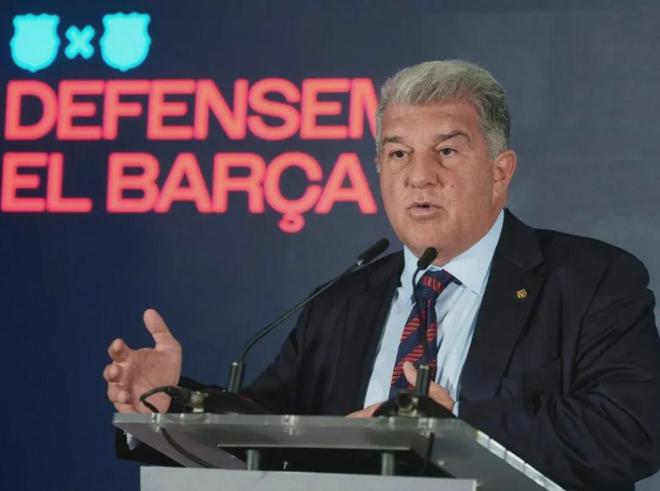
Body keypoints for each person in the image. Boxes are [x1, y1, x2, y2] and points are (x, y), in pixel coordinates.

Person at [104, 60, 660, 490]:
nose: (419, 177)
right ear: (378, 170)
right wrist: (171, 404)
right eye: (398, 155)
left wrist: (454, 425)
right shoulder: (342, 302)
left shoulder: (589, 281)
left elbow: (631, 429)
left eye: (447, 151)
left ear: (499, 172)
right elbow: (267, 426)